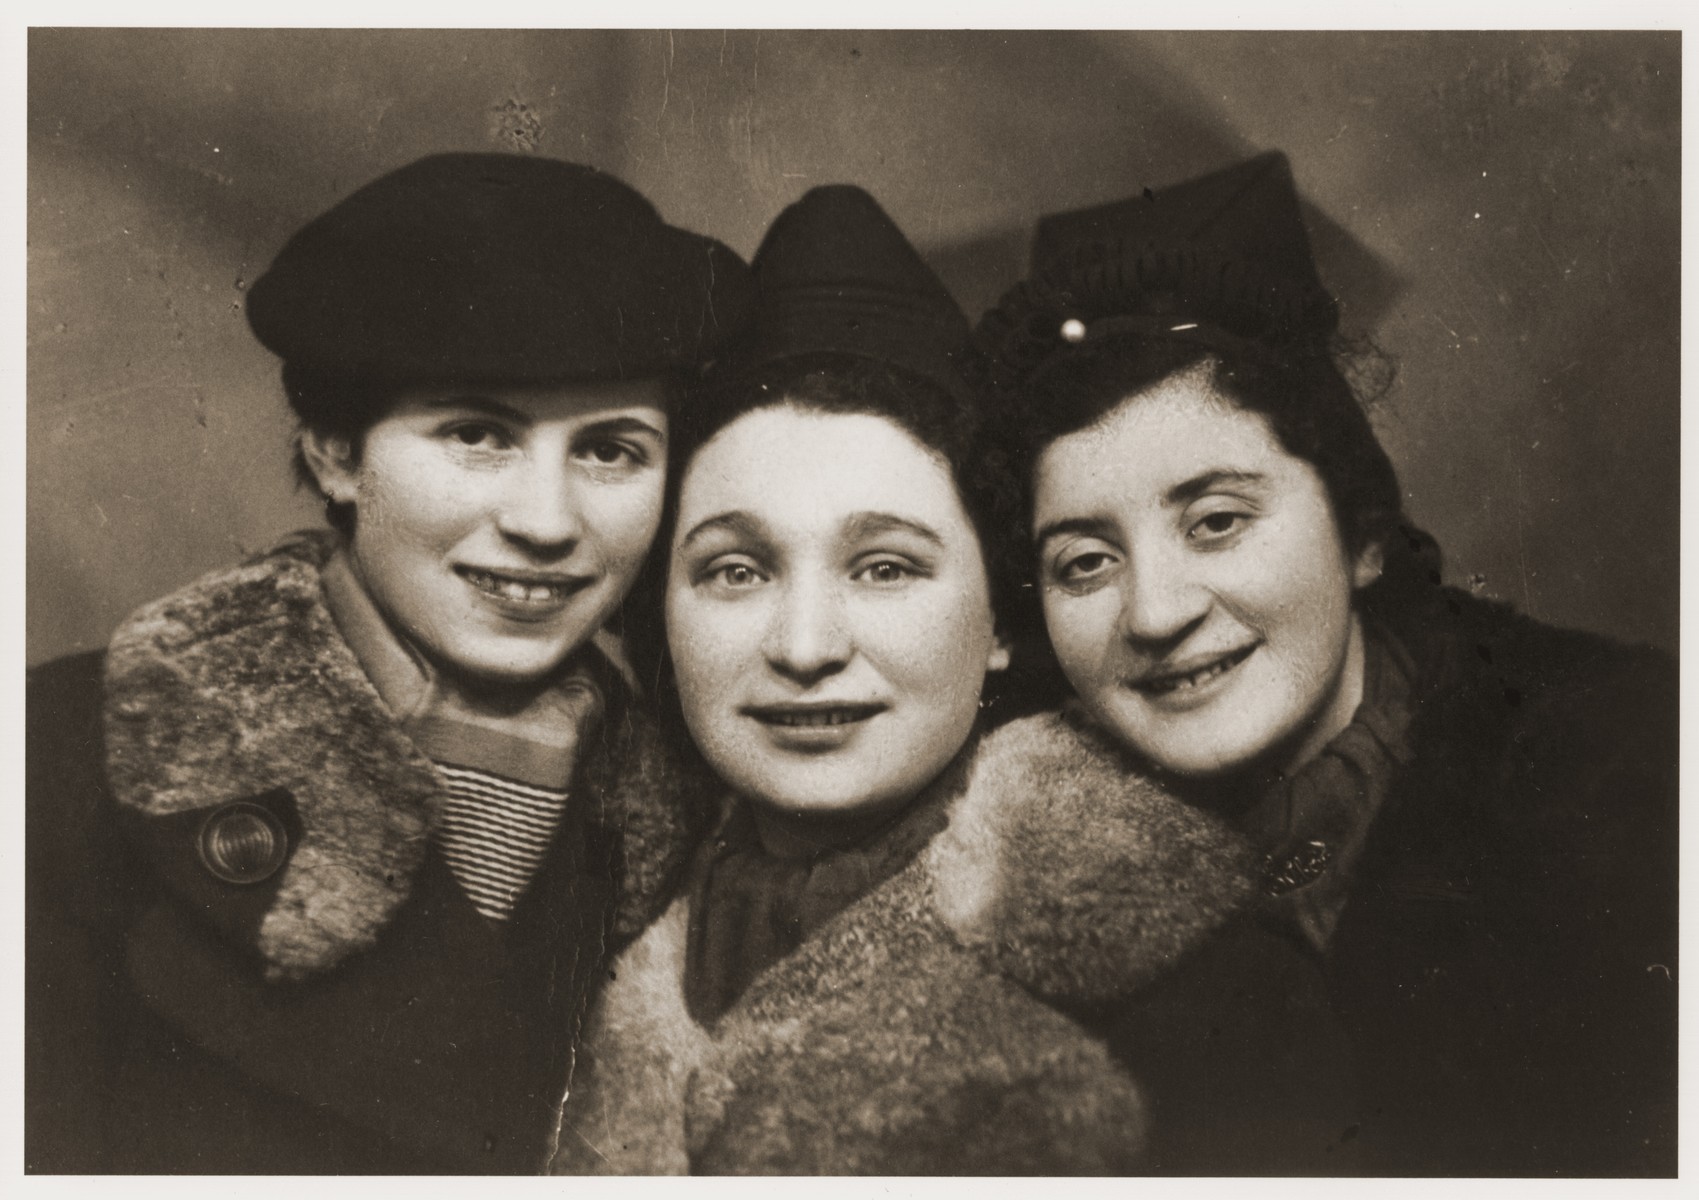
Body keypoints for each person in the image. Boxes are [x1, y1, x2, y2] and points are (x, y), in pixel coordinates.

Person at [25, 152, 754, 1173]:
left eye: (610, 450)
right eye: (476, 435)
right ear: (334, 450)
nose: (547, 523)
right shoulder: (56, 762)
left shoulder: (700, 831)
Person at [975, 152, 1678, 1176]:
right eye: (1083, 562)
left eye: (1216, 521)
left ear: (1362, 530)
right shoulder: (1009, 870)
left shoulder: (1622, 770)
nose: (1158, 612)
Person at [549, 185, 1272, 1175]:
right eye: (734, 570)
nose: (804, 647)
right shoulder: (572, 929)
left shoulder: (1199, 993)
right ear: (659, 620)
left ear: (1002, 623)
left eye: (884, 568)